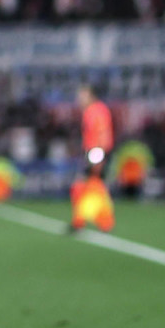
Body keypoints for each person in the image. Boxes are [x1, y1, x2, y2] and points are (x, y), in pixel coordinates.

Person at [70, 84, 115, 231]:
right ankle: (92, 221)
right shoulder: (91, 110)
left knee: (86, 186)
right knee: (91, 187)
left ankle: (91, 221)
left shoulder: (96, 110)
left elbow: (103, 134)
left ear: (91, 95)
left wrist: (98, 156)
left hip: (96, 152)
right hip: (93, 151)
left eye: (82, 95)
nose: (79, 98)